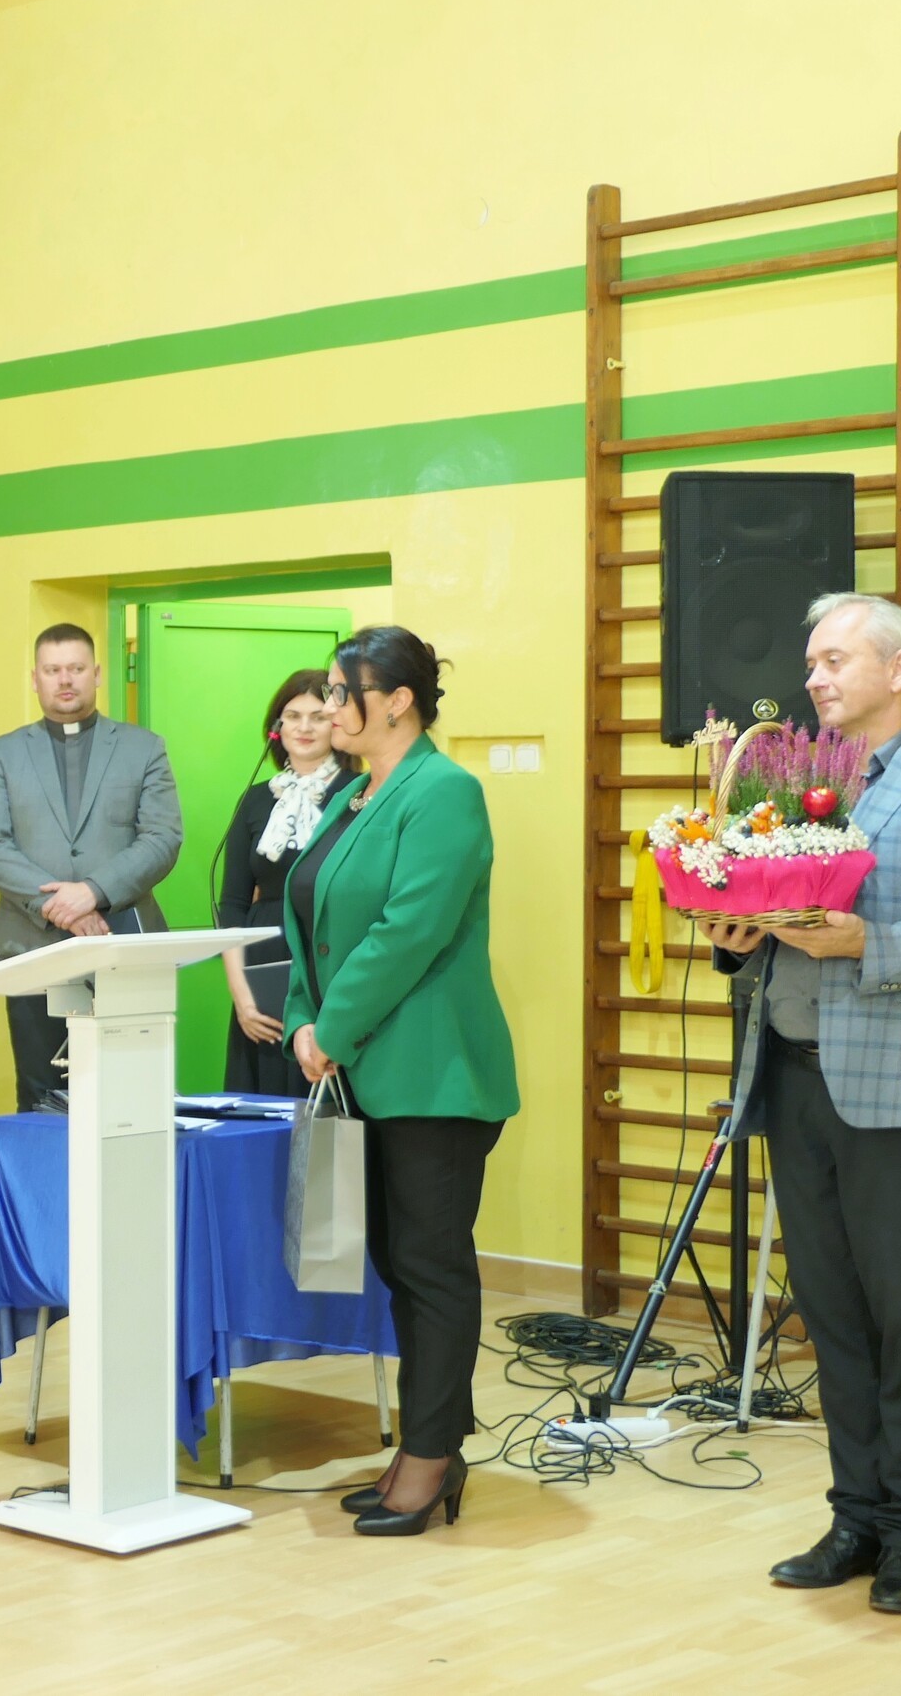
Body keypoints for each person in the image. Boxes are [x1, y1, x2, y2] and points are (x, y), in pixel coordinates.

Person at [703, 593, 901, 1617]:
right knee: (833, 1321)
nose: (813, 677)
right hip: (792, 1081)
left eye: (833, 659)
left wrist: (870, 945)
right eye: (811, 662)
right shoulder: (794, 783)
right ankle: (853, 1516)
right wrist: (735, 938)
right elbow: (772, 924)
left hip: (900, 1092)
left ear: (899, 669)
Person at [282, 626, 518, 1538]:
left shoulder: (444, 791)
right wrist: (303, 1020)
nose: (330, 706)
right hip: (359, 1068)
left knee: (431, 1266)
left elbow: (409, 928)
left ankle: (430, 1455)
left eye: (345, 691)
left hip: (431, 1073)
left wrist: (332, 1029)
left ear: (399, 701)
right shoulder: (356, 794)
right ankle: (429, 1443)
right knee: (395, 1262)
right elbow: (312, 917)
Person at [0, 623, 183, 1111]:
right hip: (31, 947)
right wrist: (60, 906)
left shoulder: (143, 748)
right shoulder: (1, 754)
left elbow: (162, 837)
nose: (65, 680)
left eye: (76, 668)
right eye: (53, 670)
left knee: (134, 1093)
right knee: (42, 1094)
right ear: (35, 679)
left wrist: (93, 892)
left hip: (122, 941)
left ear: (97, 673)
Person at [216, 671, 354, 1097]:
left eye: (317, 716)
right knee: (265, 1102)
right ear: (277, 728)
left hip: (331, 958)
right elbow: (233, 903)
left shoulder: (359, 794)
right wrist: (241, 993)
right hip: (265, 964)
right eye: (293, 716)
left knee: (325, 1103)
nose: (304, 727)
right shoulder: (256, 799)